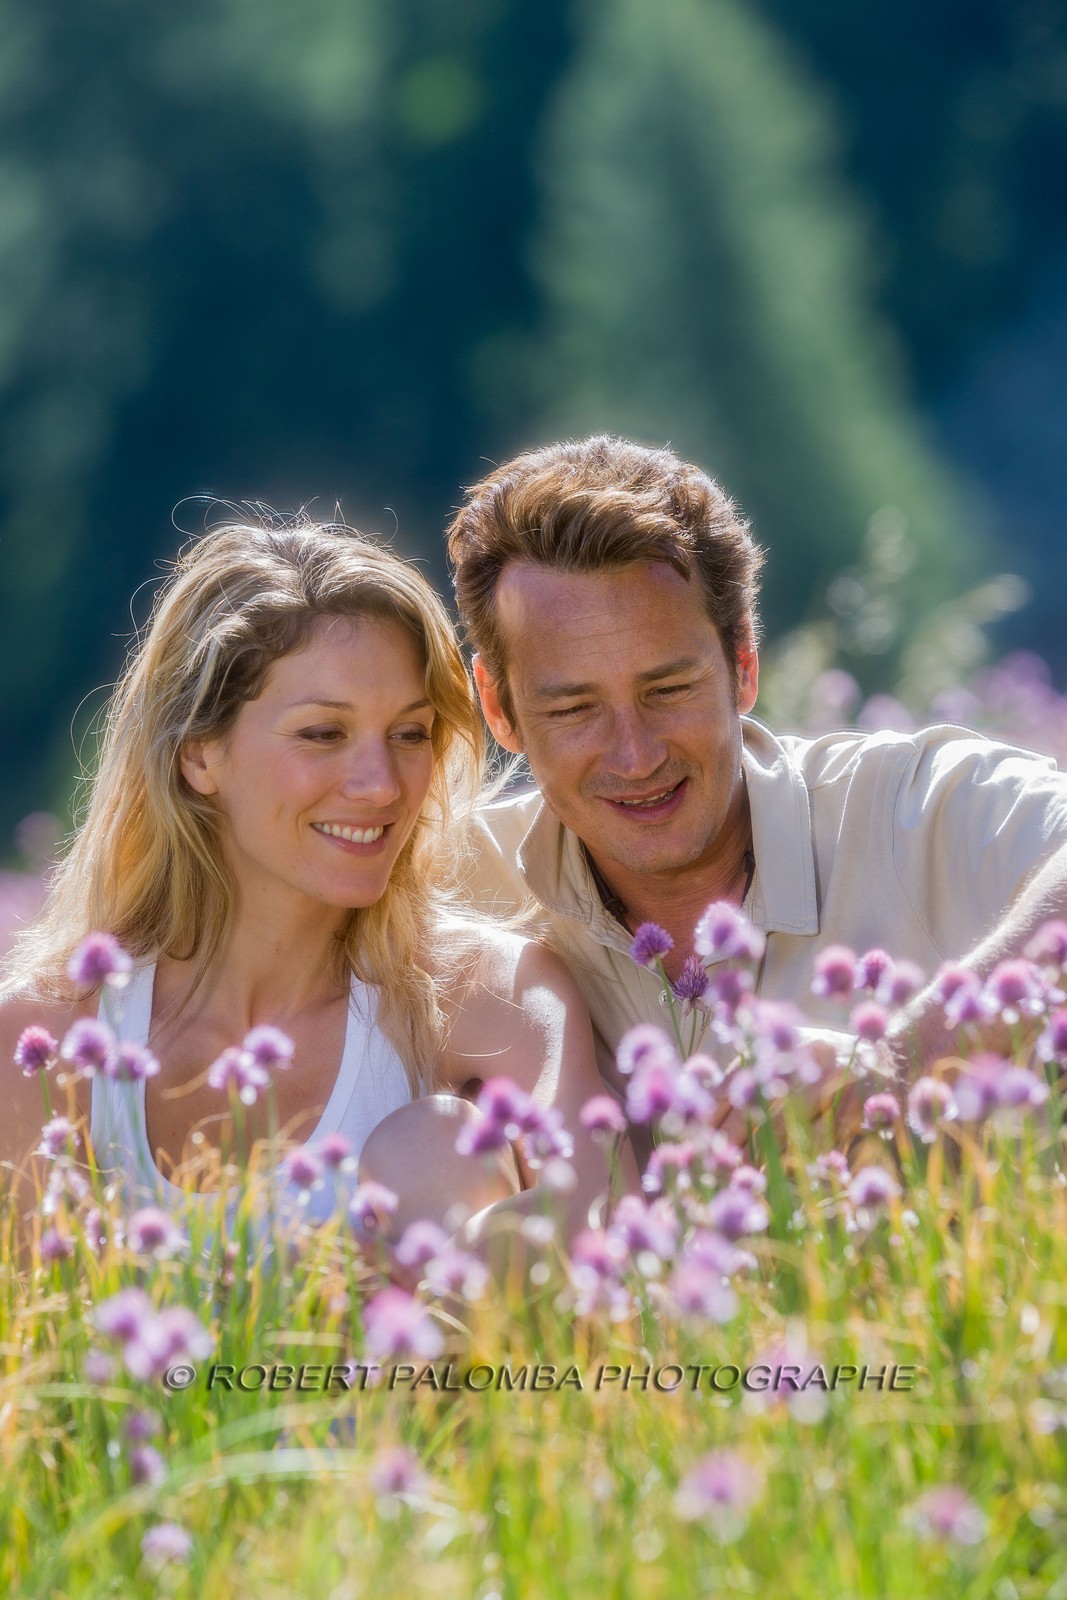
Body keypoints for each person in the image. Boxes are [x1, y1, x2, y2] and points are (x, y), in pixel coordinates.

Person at [0, 518, 635, 1250]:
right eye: (321, 734)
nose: (380, 785)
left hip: (440, 1369)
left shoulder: (483, 994)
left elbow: (594, 1222)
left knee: (437, 1147)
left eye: (409, 734)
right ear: (200, 754)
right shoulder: (51, 1040)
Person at [447, 434, 1067, 1097]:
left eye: (668, 690)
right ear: (497, 707)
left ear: (743, 663)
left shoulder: (916, 811)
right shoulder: (447, 891)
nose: (636, 755)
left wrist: (894, 1062)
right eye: (572, 709)